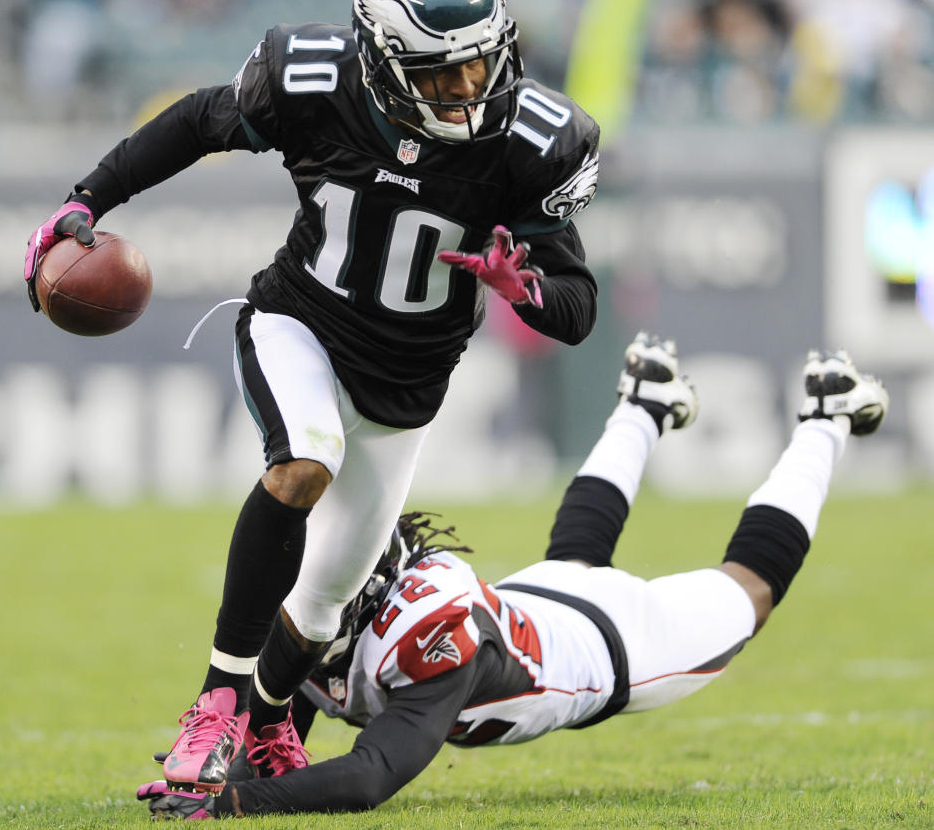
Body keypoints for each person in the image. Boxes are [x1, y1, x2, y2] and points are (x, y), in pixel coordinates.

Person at [22, 0, 599, 793]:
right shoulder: (315, 80)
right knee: (305, 461)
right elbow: (197, 121)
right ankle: (216, 701)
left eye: (482, 65)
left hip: (407, 387)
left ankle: (264, 725)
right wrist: (87, 198)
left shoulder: (531, 143)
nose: (471, 90)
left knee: (326, 606)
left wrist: (528, 291)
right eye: (444, 76)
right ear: (386, 66)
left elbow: (578, 305)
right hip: (301, 323)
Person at [136, 330, 889, 818]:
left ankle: (825, 418)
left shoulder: (428, 635)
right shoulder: (336, 615)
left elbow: (368, 777)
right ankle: (644, 403)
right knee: (576, 554)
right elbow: (277, 733)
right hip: (538, 602)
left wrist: (234, 804)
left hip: (612, 648)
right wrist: (206, 777)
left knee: (747, 591)